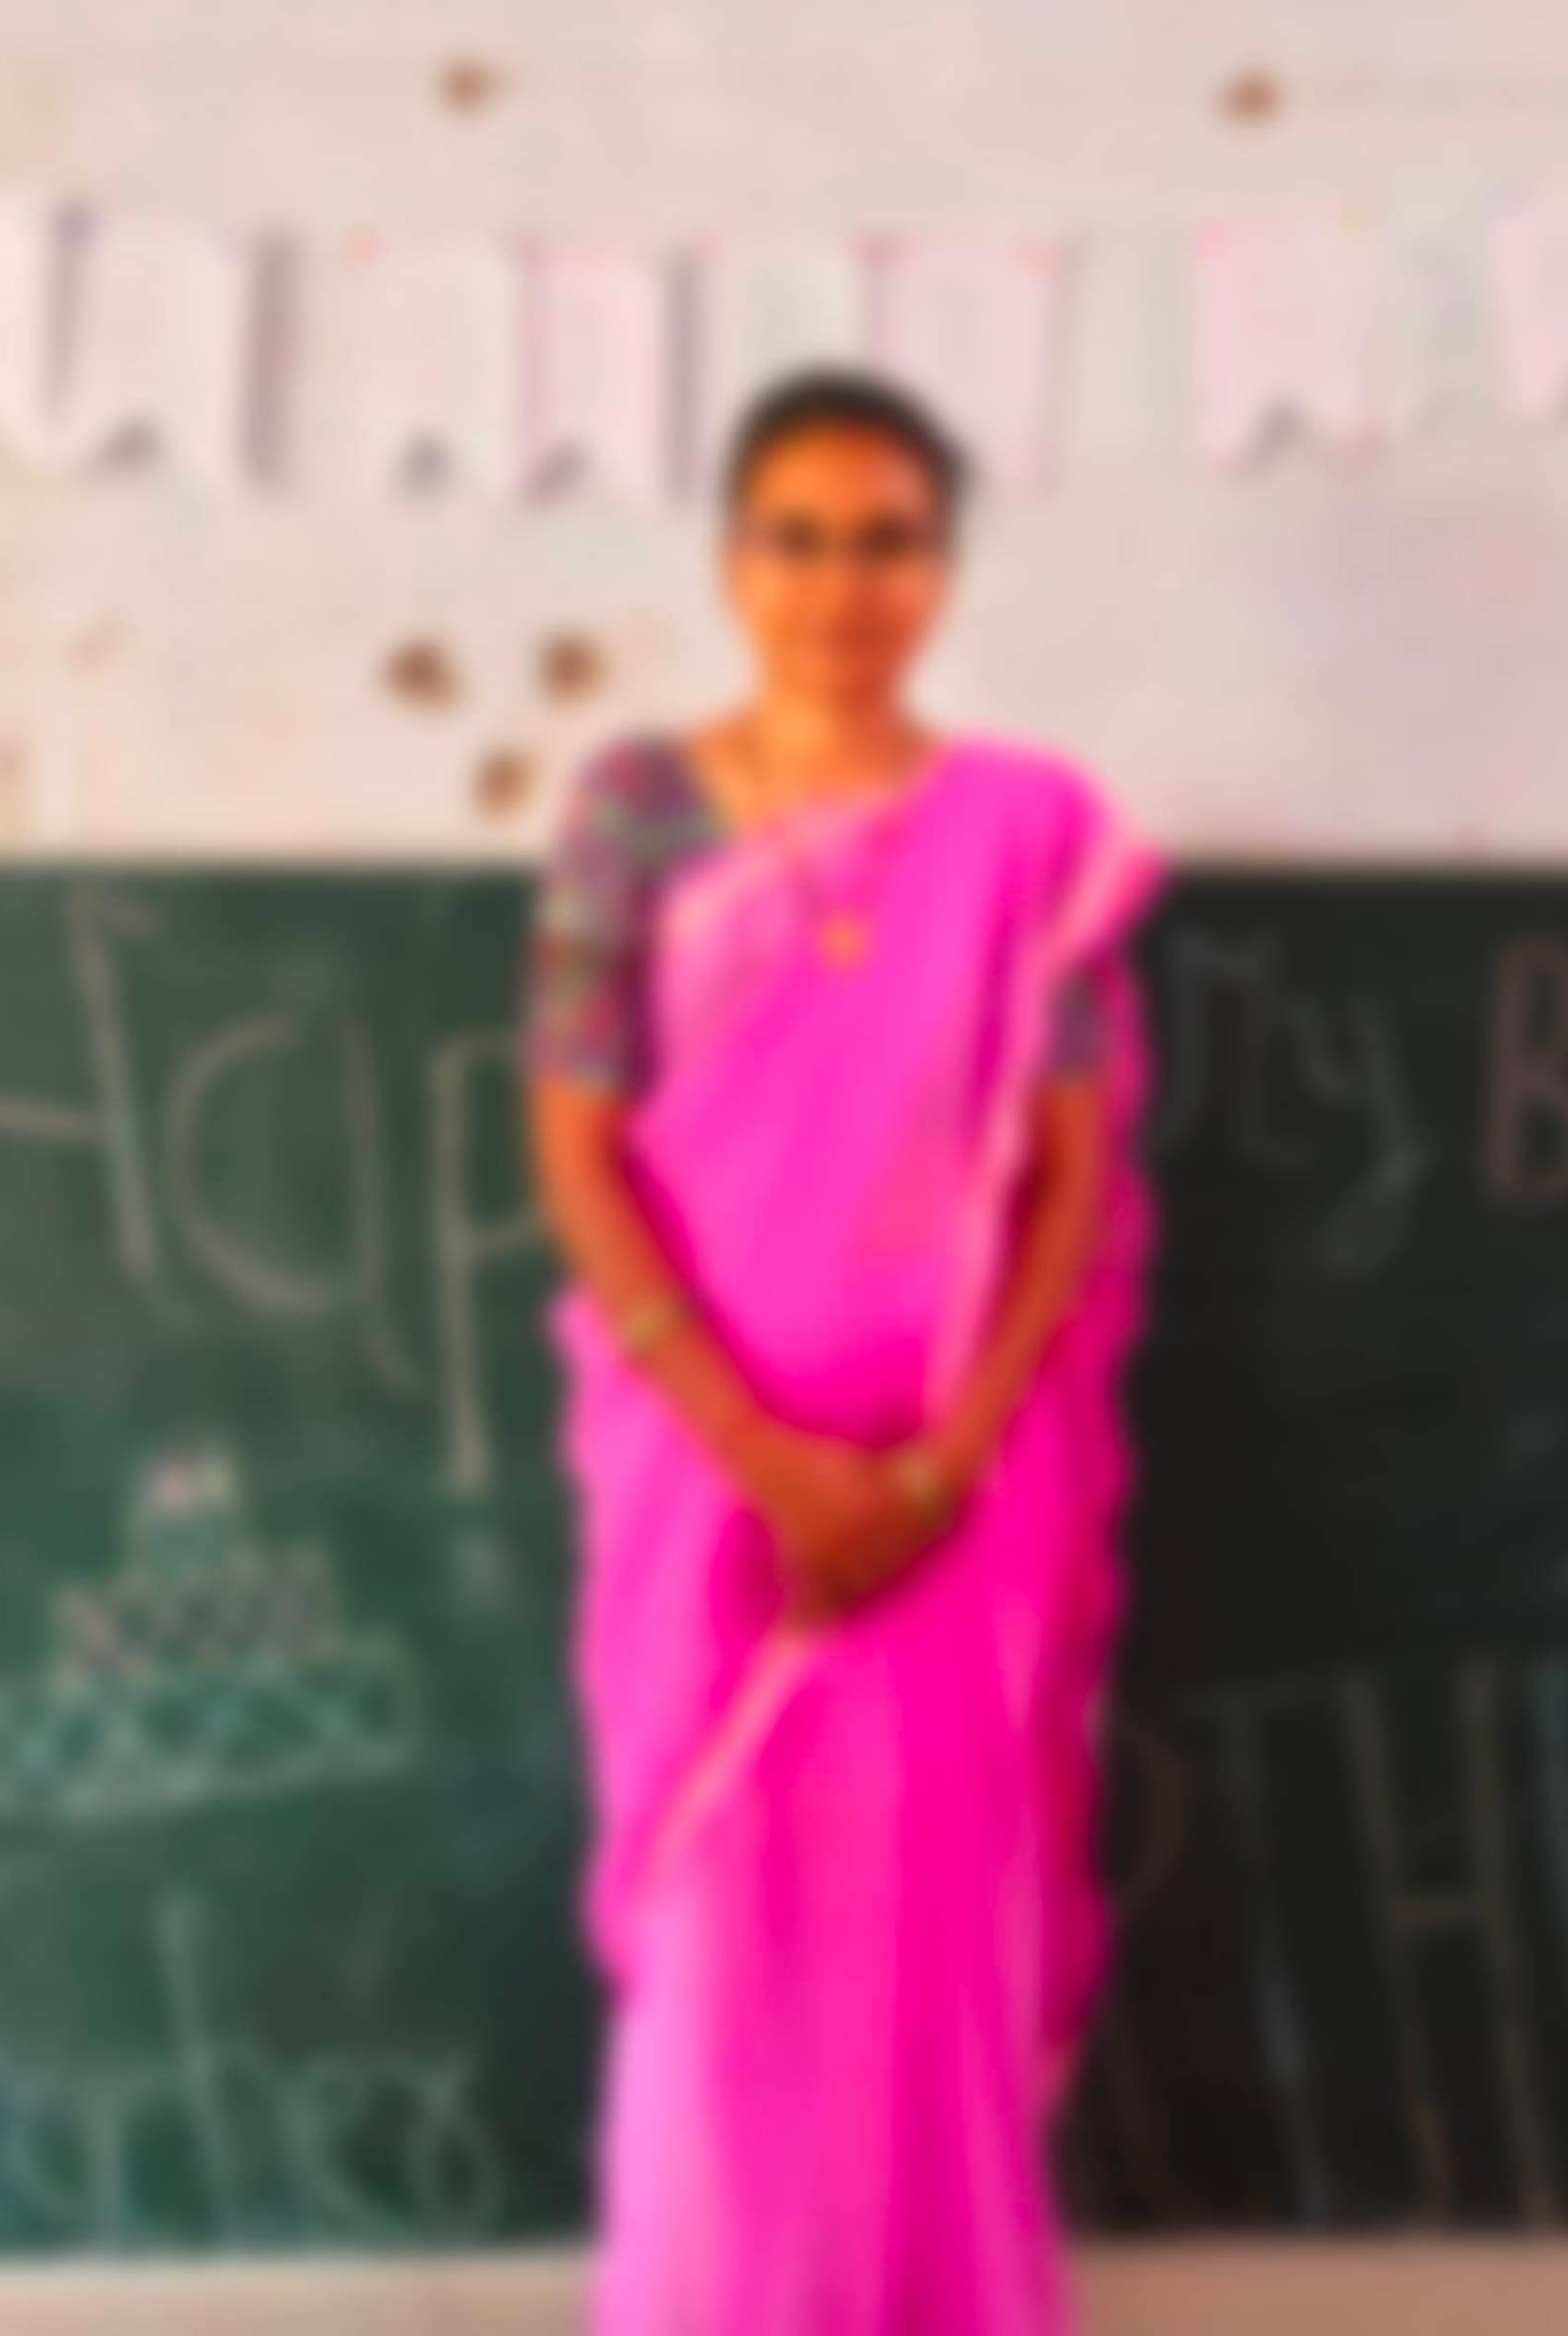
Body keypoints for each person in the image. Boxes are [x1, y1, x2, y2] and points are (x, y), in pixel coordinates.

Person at [523, 364, 1165, 2335]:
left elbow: (1065, 1176)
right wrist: (772, 1461)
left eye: (888, 540)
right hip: (705, 1474)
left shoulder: (1021, 831)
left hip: (957, 1482)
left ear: (944, 569)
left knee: (929, 1931)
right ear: (733, 562)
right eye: (796, 538)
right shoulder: (634, 810)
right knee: (725, 1940)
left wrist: (943, 1463)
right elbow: (576, 1153)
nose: (840, 585)